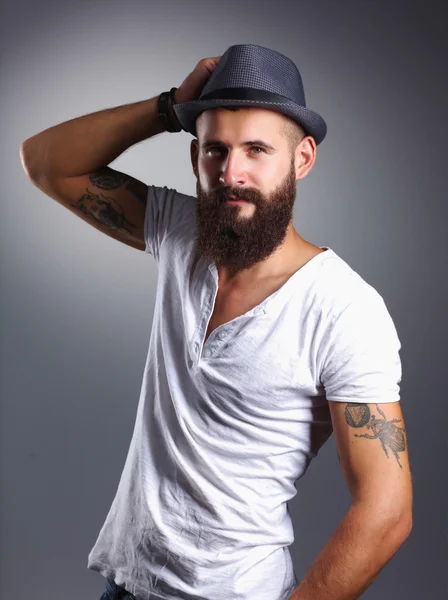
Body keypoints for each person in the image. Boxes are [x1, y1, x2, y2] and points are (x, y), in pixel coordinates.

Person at [20, 44, 412, 600]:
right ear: (195, 157)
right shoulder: (181, 233)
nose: (232, 173)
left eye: (257, 149)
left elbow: (387, 509)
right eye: (215, 150)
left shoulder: (344, 309)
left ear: (301, 159)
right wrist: (166, 108)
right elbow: (45, 161)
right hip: (126, 585)